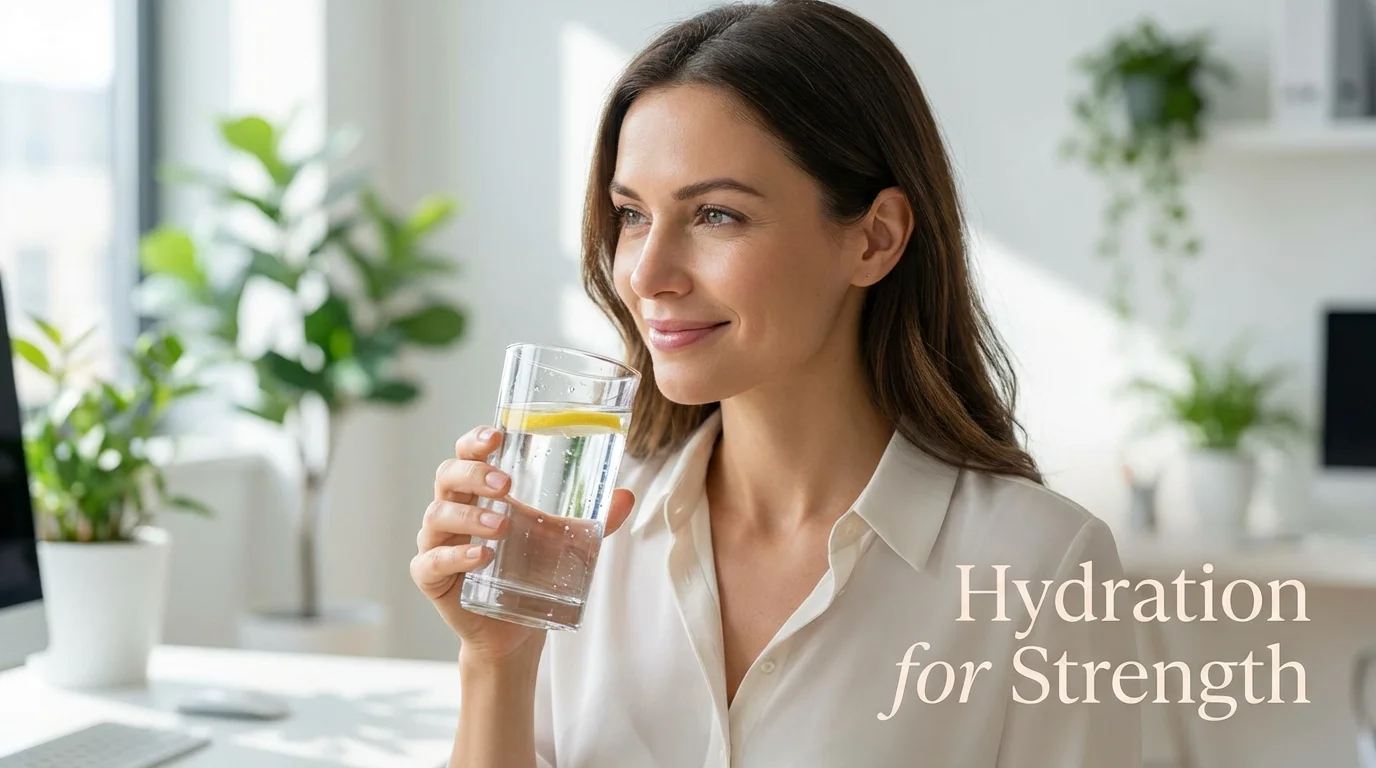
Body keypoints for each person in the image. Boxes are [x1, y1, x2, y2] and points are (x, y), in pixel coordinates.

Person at [412, 1, 1141, 766]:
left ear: (875, 238)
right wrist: (497, 659)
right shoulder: (577, 546)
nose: (648, 275)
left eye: (717, 215)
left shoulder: (1041, 567)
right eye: (631, 214)